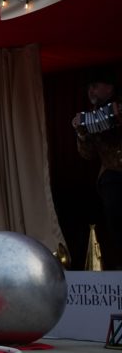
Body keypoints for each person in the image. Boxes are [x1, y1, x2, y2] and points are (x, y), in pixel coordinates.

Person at [73, 68, 122, 263]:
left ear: (109, 88)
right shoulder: (90, 117)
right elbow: (87, 155)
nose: (90, 91)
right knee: (116, 223)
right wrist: (81, 133)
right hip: (112, 178)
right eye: (88, 88)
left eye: (94, 86)